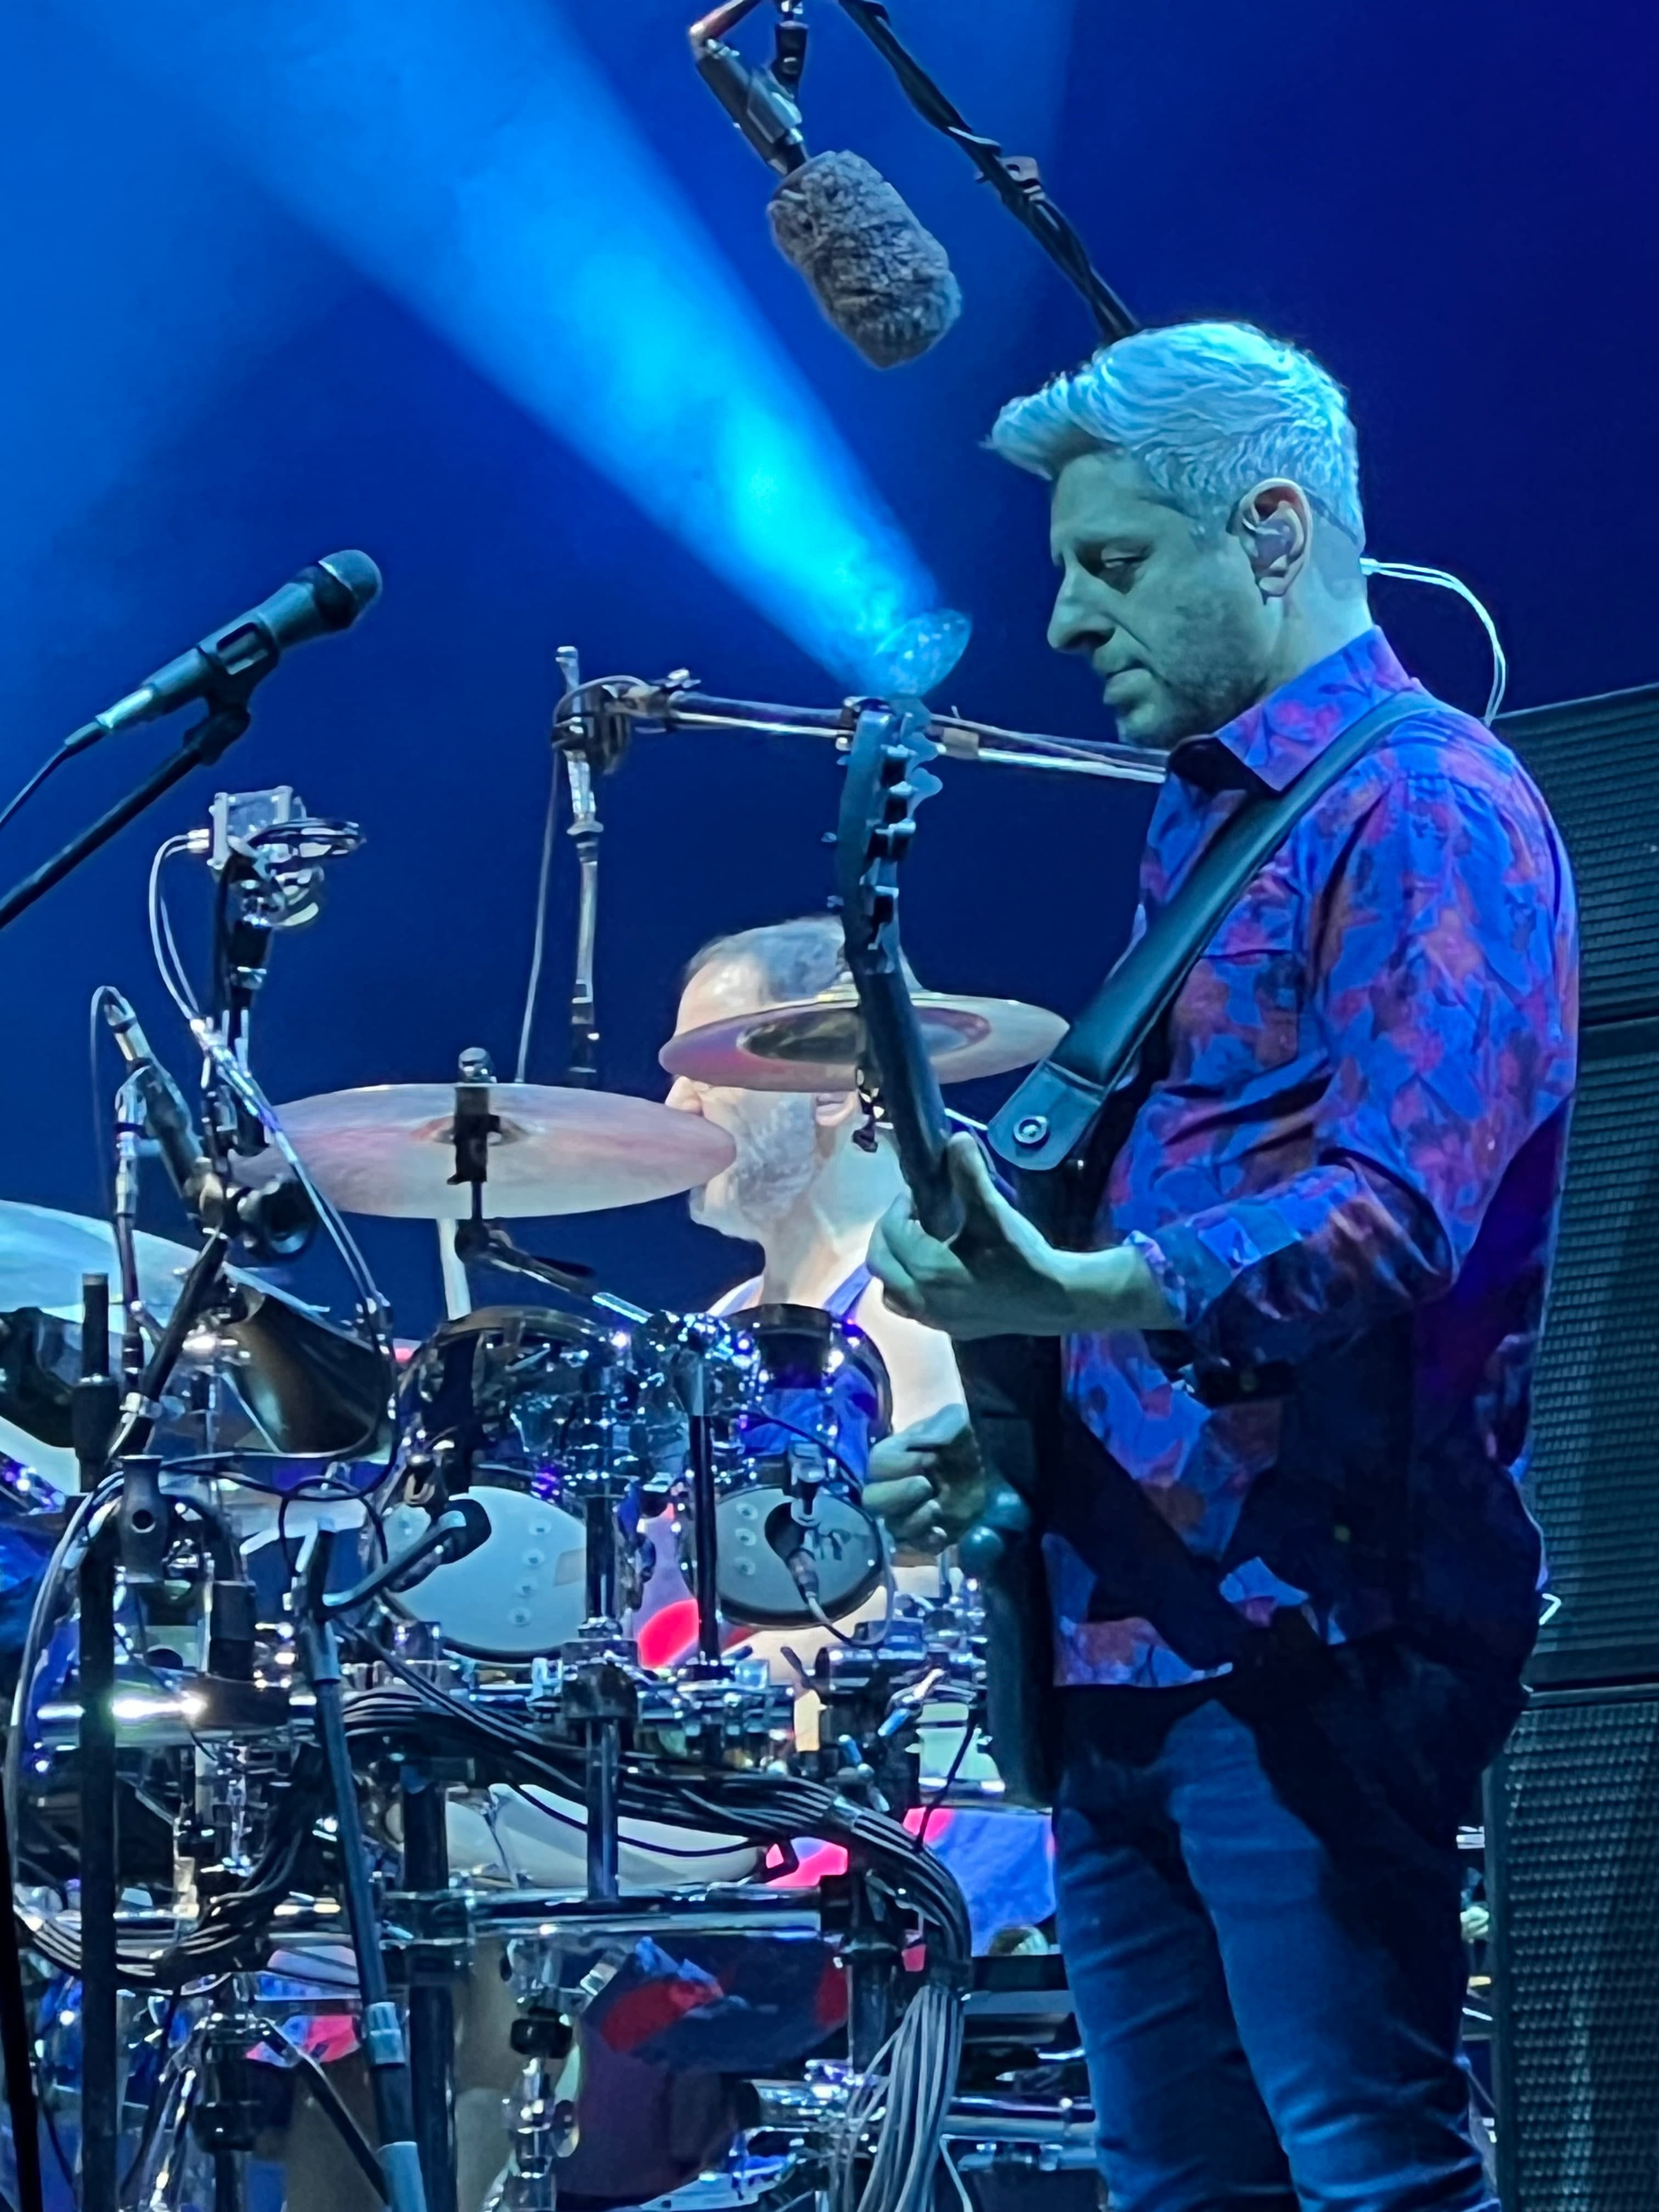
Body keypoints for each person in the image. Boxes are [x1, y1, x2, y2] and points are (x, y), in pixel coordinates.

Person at [860, 321, 1578, 2212]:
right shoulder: (1217, 822)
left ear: (1273, 530)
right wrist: (1023, 1442)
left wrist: (1063, 1301)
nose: (1071, 625)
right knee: (1173, 2184)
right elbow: (1175, 1206)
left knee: (1370, 2169)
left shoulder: (1425, 802)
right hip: (1132, 1627)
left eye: (1114, 567)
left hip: (1317, 1630)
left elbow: (1392, 1211)